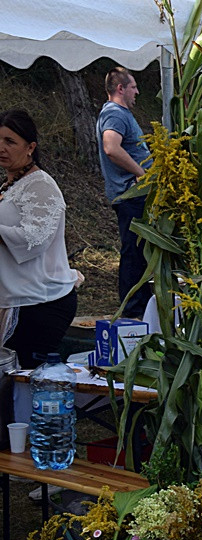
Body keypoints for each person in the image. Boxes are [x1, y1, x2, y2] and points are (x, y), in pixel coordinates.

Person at [0, 110, 79, 368]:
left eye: (10, 141)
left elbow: (35, 240)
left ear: (30, 147)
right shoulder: (9, 185)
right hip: (19, 299)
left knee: (30, 382)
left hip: (41, 303)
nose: (1, 147)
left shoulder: (41, 186)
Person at [97, 66, 151, 318]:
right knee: (134, 252)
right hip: (131, 195)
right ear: (120, 88)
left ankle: (141, 306)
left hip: (136, 195)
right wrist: (141, 173)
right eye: (133, 86)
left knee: (140, 252)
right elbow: (111, 147)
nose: (137, 91)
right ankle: (132, 310)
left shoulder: (120, 114)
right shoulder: (115, 114)